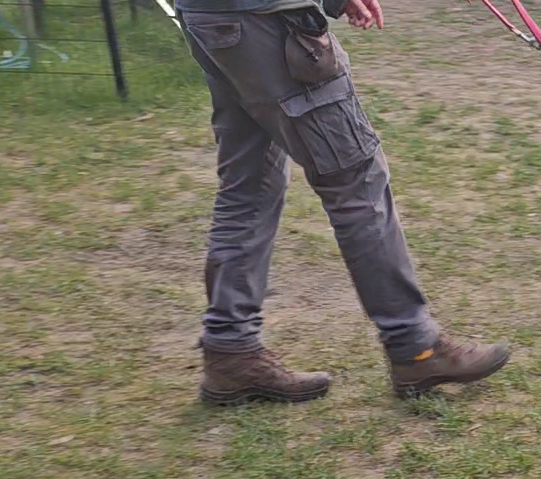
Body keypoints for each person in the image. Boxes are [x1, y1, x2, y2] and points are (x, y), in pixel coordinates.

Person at [177, 0, 510, 404]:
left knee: (248, 188)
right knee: (356, 180)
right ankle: (415, 348)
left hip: (212, 17)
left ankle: (231, 352)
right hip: (265, 18)